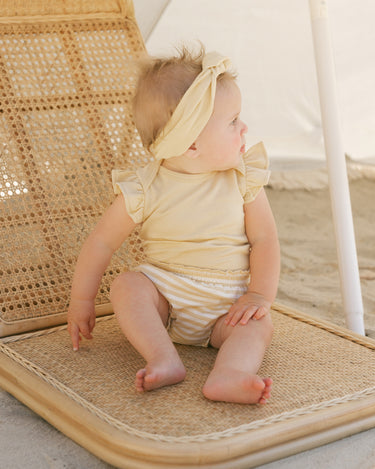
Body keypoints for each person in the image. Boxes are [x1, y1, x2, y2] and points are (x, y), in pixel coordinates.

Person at [67, 46, 280, 405]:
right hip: (166, 294)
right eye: (232, 121)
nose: (244, 128)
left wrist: (258, 295)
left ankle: (230, 374)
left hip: (230, 304)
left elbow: (265, 239)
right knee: (127, 286)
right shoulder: (145, 187)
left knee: (259, 324)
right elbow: (102, 243)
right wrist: (82, 299)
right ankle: (162, 357)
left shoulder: (243, 178)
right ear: (192, 143)